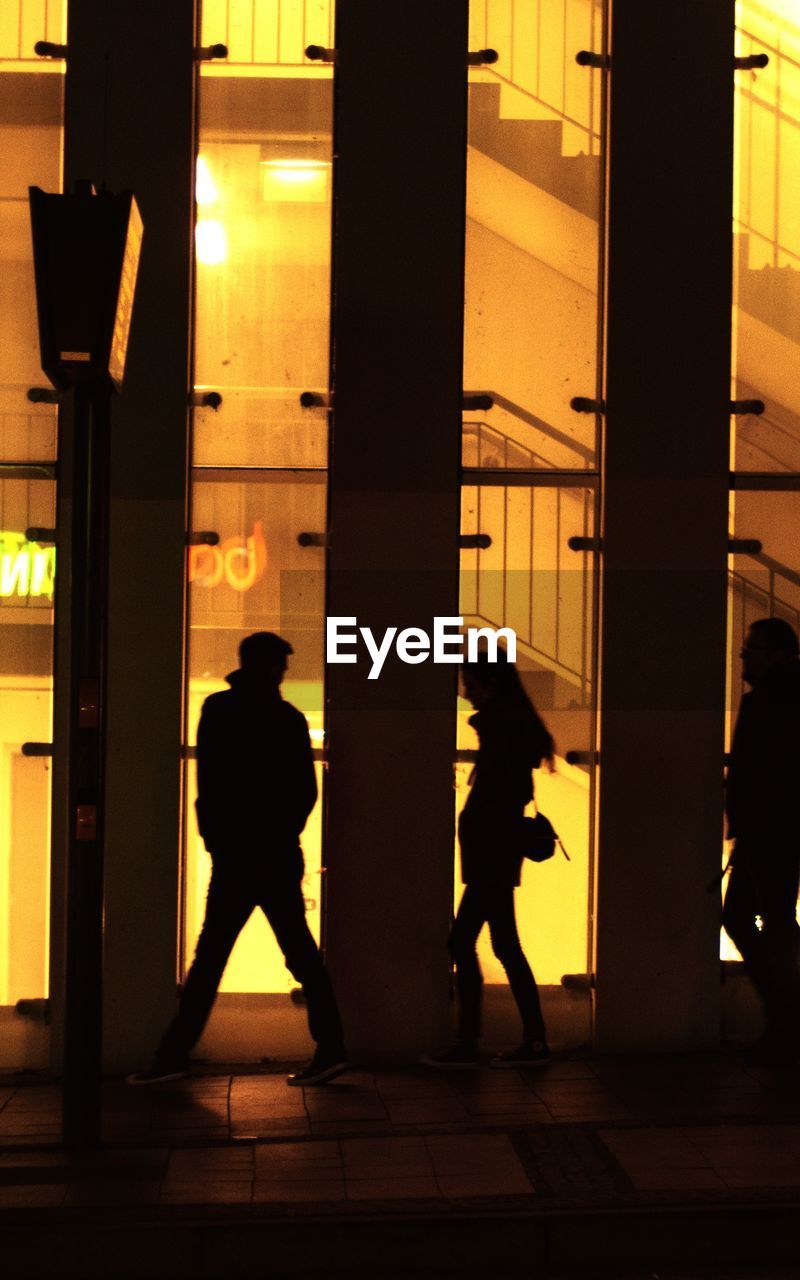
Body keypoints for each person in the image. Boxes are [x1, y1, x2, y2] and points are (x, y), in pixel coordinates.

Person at [129, 632, 347, 1087]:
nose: (283, 676)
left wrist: (217, 839)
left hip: (236, 857)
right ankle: (331, 1049)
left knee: (209, 958)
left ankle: (171, 1056)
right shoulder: (288, 719)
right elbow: (305, 792)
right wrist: (283, 832)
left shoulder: (219, 710)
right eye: (280, 668)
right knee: (301, 954)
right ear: (270, 668)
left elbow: (210, 782)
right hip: (277, 854)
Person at [425, 648, 555, 1069]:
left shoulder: (503, 731)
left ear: (491, 684)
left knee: (464, 941)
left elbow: (499, 796)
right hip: (496, 852)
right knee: (504, 944)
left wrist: (480, 826)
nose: (466, 693)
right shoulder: (510, 729)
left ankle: (469, 1043)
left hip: (491, 854)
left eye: (471, 683)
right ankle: (532, 1040)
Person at [723, 615, 800, 1066]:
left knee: (754, 919)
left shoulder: (768, 701)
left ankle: (786, 1020)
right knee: (772, 920)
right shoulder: (784, 697)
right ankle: (785, 1020)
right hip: (778, 829)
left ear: (774, 654)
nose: (742, 657)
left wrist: (743, 824)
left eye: (750, 649)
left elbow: (757, 771)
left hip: (767, 830)